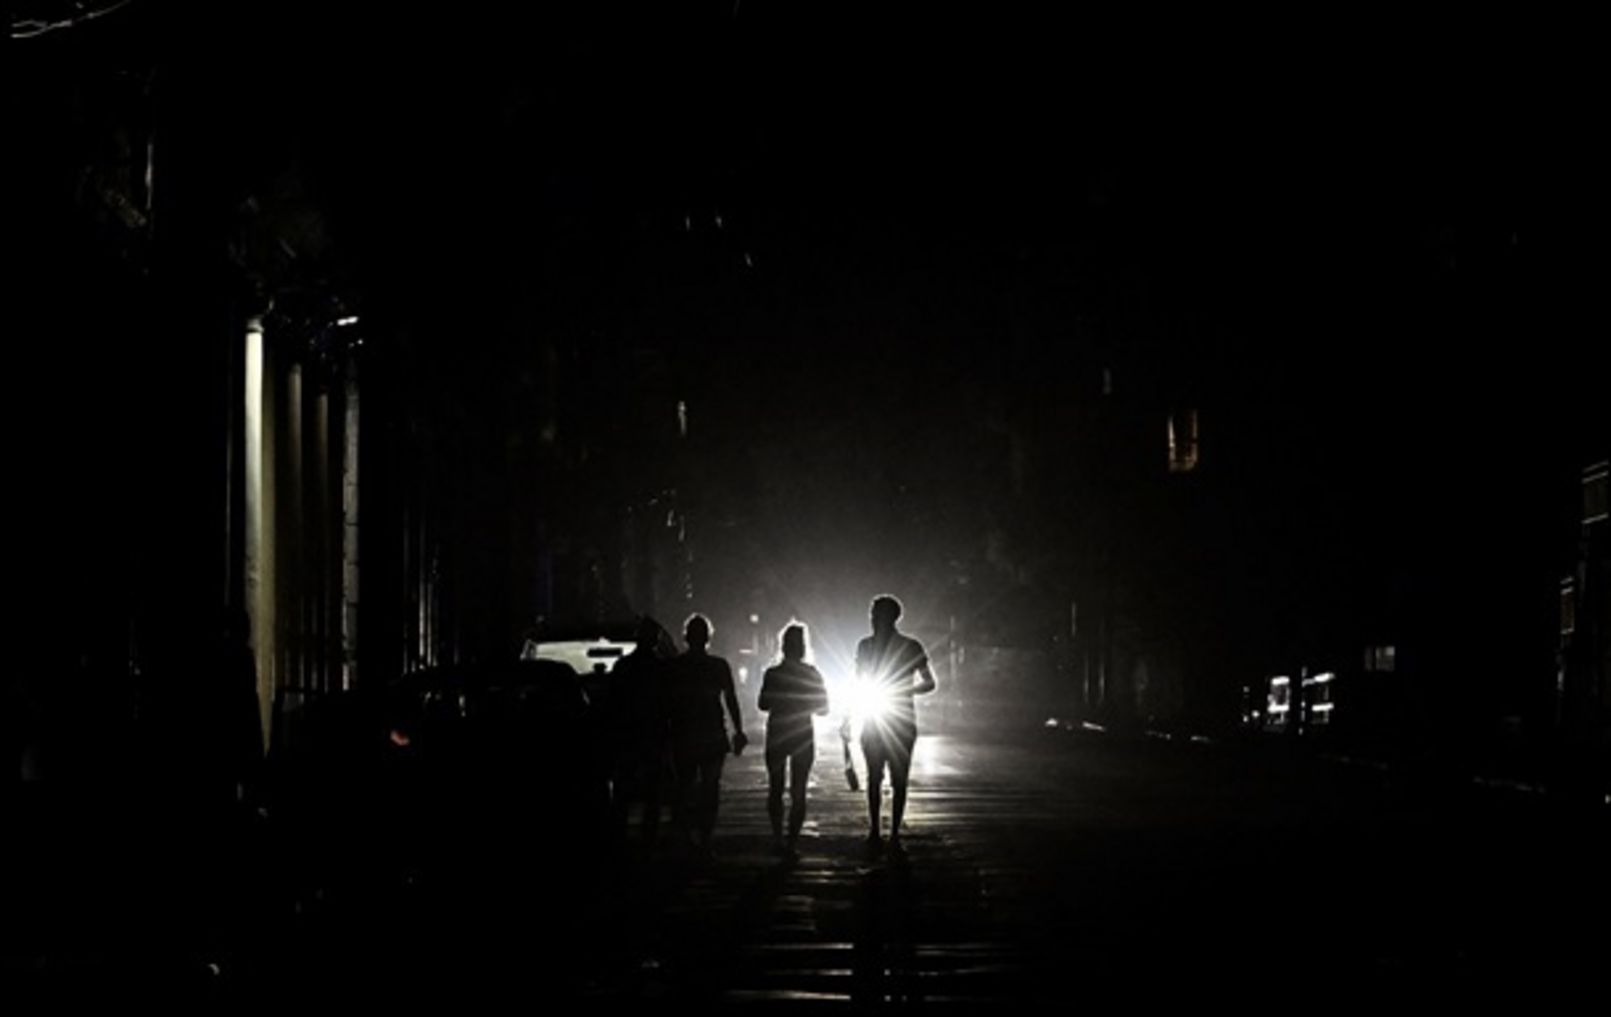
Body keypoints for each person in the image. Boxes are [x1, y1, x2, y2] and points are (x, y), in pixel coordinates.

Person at [852, 595, 936, 854]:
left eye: (877, 615)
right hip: (894, 718)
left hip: (888, 718)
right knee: (883, 778)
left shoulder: (870, 646)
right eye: (873, 615)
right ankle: (883, 832)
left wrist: (902, 690)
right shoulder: (904, 646)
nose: (873, 620)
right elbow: (928, 683)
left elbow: (930, 682)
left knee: (887, 778)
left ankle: (886, 832)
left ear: (890, 618)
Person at [667, 613, 747, 855]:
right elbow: (730, 699)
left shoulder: (676, 667)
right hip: (712, 734)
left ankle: (685, 837)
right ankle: (704, 837)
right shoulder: (719, 666)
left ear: (686, 637)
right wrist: (738, 730)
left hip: (684, 734)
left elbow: (667, 702)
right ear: (708, 637)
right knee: (710, 788)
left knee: (684, 787)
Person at [758, 622, 828, 855]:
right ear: (803, 647)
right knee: (799, 790)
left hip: (778, 732)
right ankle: (792, 842)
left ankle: (777, 837)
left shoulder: (773, 674)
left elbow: (763, 704)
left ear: (783, 646)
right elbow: (824, 709)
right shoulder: (812, 674)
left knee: (775, 788)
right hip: (802, 733)